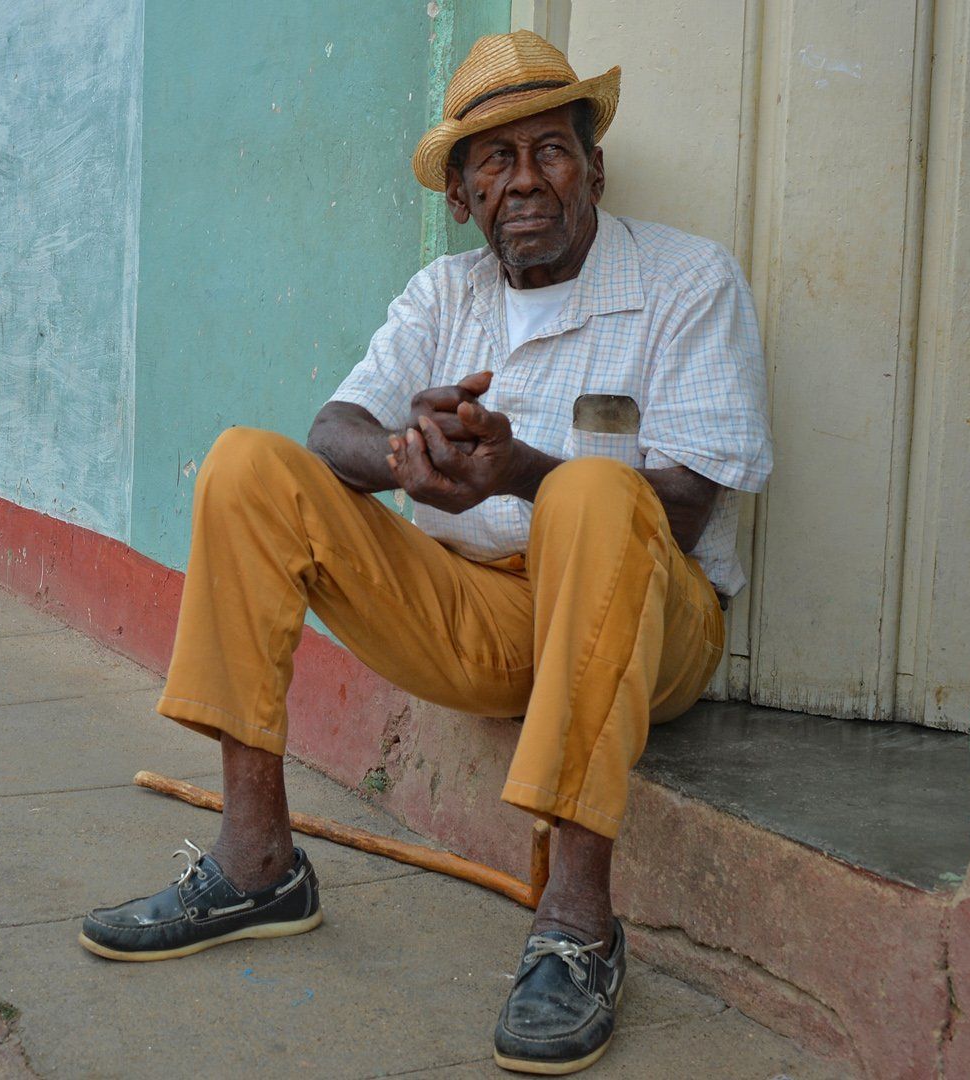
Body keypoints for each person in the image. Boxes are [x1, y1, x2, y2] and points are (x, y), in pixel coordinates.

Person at [78, 30, 773, 1076]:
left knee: (592, 486)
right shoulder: (443, 294)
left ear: (595, 167)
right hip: (483, 622)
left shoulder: (687, 279)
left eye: (549, 150)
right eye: (493, 160)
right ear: (460, 194)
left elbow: (675, 511)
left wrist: (518, 468)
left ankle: (578, 924)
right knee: (247, 466)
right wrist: (410, 460)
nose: (525, 180)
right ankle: (257, 862)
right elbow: (331, 431)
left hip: (654, 627)